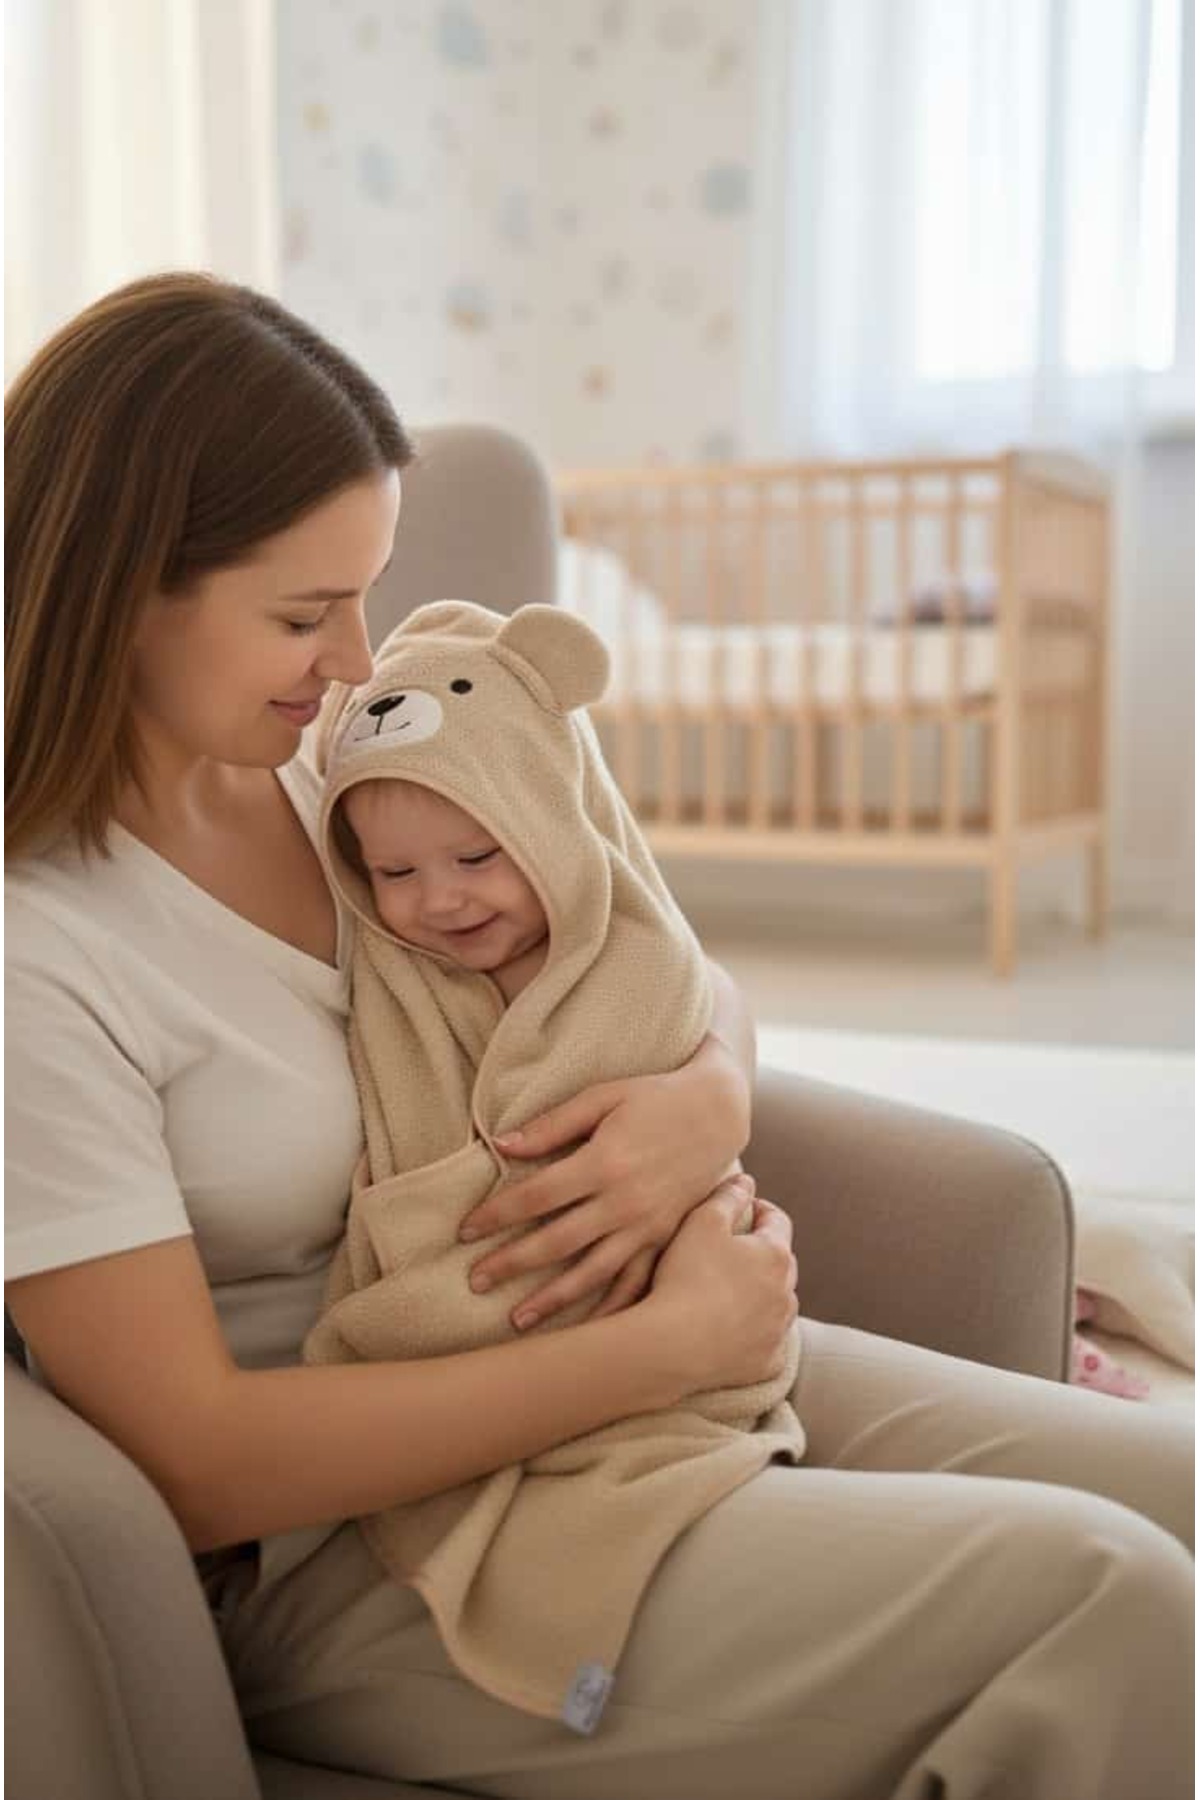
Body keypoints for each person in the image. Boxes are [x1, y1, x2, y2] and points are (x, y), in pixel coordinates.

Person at [4, 271, 1192, 1800]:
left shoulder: (343, 775)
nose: (356, 659)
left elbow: (661, 966)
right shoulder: (42, 951)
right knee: (1109, 1602)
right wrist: (657, 1347)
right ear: (116, 590)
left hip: (653, 1371)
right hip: (378, 1541)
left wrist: (705, 1100)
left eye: (366, 594)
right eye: (303, 613)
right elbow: (197, 1457)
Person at [304, 598, 805, 1726]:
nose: (437, 900)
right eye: (394, 875)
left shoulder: (615, 947)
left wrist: (713, 1090)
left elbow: (692, 991)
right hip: (491, 1362)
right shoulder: (398, 967)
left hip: (708, 1312)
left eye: (480, 856)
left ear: (551, 821)